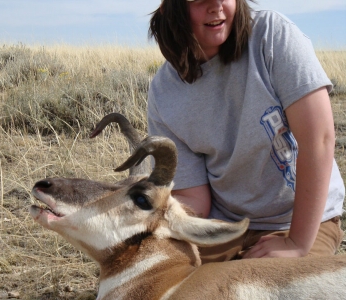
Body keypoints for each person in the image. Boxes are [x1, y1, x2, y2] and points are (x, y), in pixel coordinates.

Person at [147, 0, 345, 263]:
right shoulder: (164, 93)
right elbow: (195, 198)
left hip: (301, 222)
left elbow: (318, 141)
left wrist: (296, 243)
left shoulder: (272, 34)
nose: (215, 5)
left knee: (262, 288)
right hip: (226, 226)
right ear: (169, 8)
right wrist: (151, 214)